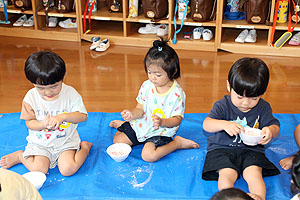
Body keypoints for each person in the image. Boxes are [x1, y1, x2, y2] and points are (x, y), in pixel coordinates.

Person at [0, 51, 92, 176]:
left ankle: (85, 148)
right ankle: (21, 156)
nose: (48, 92)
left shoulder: (70, 94)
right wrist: (42, 124)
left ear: (63, 76)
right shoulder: (30, 98)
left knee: (67, 170)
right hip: (40, 143)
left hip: (65, 141)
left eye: (54, 86)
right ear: (32, 83)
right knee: (39, 171)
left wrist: (63, 116)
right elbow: (29, 123)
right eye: (40, 88)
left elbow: (82, 116)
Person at [202, 57, 280, 200]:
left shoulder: (263, 107)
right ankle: (229, 197)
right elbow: (206, 124)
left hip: (251, 150)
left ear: (262, 93)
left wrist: (270, 131)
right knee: (227, 173)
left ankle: (258, 197)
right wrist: (224, 124)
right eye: (239, 97)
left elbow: (275, 126)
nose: (245, 103)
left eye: (253, 99)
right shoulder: (222, 105)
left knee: (254, 173)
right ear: (228, 86)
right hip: (222, 149)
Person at [109, 39, 199, 162]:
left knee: (149, 156)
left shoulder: (177, 94)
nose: (152, 78)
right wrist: (132, 114)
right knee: (117, 141)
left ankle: (177, 143)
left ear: (173, 71)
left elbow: (177, 120)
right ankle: (123, 124)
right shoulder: (146, 85)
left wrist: (162, 122)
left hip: (161, 131)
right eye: (149, 72)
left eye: (158, 75)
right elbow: (139, 109)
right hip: (143, 124)